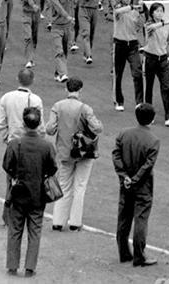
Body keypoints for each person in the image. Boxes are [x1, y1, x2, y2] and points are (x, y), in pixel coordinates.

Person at [3, 106, 58, 277]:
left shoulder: (15, 144)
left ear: (24, 123)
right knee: (35, 232)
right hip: (38, 194)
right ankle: (30, 267)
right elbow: (53, 168)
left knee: (15, 230)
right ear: (39, 122)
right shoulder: (46, 146)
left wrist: (15, 176)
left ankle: (12, 265)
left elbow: (7, 165)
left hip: (18, 193)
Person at [46, 77, 103, 232]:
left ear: (66, 89)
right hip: (84, 152)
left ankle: (58, 221)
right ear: (80, 90)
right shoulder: (85, 109)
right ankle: (75, 222)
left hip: (65, 152)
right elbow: (97, 128)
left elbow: (50, 129)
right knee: (80, 186)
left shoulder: (58, 106)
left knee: (64, 185)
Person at [112, 102, 160, 268]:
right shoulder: (153, 140)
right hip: (143, 186)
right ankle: (139, 255)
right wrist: (135, 179)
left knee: (124, 217)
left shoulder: (124, 134)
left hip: (125, 184)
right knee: (141, 220)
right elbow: (148, 165)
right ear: (152, 119)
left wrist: (124, 176)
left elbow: (116, 156)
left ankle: (124, 252)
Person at [142, 2, 169, 127]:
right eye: (157, 11)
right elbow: (151, 29)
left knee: (166, 87)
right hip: (150, 58)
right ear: (152, 13)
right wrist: (164, 23)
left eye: (161, 11)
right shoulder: (149, 23)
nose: (159, 13)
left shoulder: (167, 26)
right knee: (149, 88)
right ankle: (147, 116)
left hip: (162, 59)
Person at [112, 0, 144, 111]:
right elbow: (118, 12)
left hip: (133, 45)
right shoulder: (118, 7)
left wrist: (141, 11)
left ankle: (139, 102)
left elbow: (140, 24)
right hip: (119, 44)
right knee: (118, 74)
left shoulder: (135, 11)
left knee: (137, 73)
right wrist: (131, 7)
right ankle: (118, 101)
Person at [0, 67, 44, 143]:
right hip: (31, 142)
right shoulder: (36, 100)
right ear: (33, 80)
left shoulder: (6, 97)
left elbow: (1, 123)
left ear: (17, 79)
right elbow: (40, 126)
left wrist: (7, 138)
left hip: (12, 141)